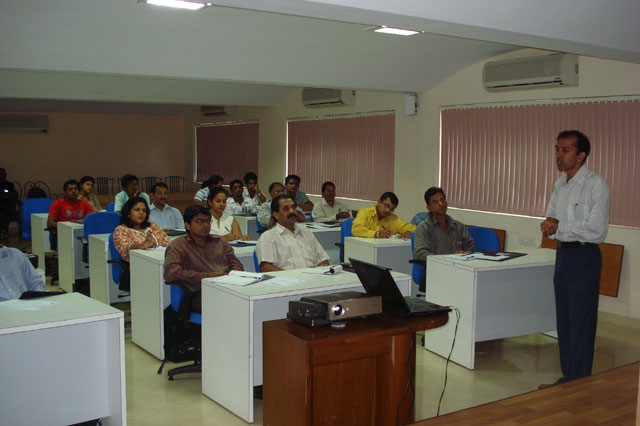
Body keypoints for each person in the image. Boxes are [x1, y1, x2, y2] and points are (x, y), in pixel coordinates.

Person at [540, 130, 610, 387]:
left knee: (581, 320)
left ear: (581, 155)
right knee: (565, 319)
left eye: (565, 150)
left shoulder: (595, 184)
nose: (558, 155)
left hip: (584, 255)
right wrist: (550, 225)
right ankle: (568, 377)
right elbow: (553, 217)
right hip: (564, 255)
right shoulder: (560, 184)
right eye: (557, 149)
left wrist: (560, 227)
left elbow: (596, 230)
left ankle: (579, 380)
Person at [164, 205, 244, 312]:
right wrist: (207, 276)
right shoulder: (178, 246)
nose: (205, 225)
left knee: (247, 299)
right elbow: (171, 273)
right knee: (233, 304)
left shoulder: (220, 242)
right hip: (199, 293)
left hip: (227, 287)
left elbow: (236, 264)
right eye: (200, 221)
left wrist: (233, 275)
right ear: (187, 225)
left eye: (208, 221)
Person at [256, 194, 330, 272]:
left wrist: (321, 268)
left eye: (293, 208)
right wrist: (294, 275)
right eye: (286, 209)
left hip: (314, 276)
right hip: (287, 278)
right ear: (276, 215)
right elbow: (265, 268)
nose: (291, 211)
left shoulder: (306, 233)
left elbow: (323, 259)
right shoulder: (268, 237)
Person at [414, 187, 475, 261]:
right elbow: (420, 254)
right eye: (435, 202)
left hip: (459, 265)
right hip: (436, 266)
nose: (441, 204)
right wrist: (444, 259)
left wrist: (464, 254)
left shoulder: (459, 226)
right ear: (429, 207)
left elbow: (471, 246)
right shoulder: (424, 228)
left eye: (442, 200)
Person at [113, 196, 170, 262]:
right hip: (138, 264)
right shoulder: (121, 230)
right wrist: (141, 245)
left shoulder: (153, 226)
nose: (141, 213)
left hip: (161, 261)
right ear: (128, 213)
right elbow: (125, 248)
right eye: (137, 210)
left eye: (144, 210)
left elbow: (168, 243)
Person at [0, 168, 19, 239]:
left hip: (7, 206)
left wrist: (4, 195)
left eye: (3, 174)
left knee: (6, 213)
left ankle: (3, 231)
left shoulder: (9, 184)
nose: (2, 176)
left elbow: (10, 194)